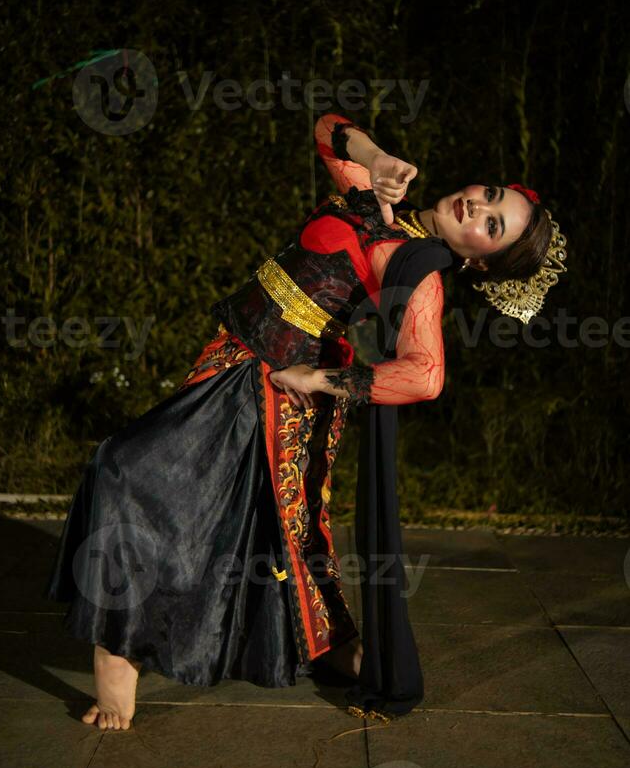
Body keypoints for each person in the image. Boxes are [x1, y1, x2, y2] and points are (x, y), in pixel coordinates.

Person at [44, 112, 567, 730]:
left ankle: (119, 659)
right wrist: (373, 156)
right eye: (490, 196)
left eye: (491, 224)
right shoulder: (373, 199)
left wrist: (322, 380)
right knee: (261, 529)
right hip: (233, 358)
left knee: (129, 469)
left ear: (481, 263)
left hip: (268, 390)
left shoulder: (418, 270)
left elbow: (425, 374)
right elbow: (327, 127)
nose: (476, 207)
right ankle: (336, 648)